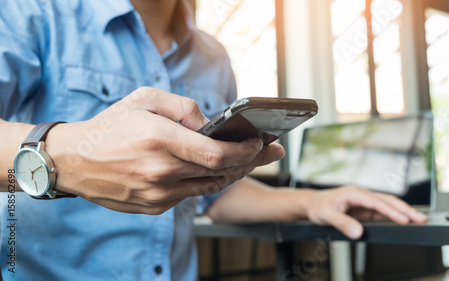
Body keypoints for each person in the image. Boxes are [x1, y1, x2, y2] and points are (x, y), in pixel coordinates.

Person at [0, 0, 427, 280]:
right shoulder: (33, 12)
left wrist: (314, 202)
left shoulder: (213, 57)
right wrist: (62, 161)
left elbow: (211, 193)